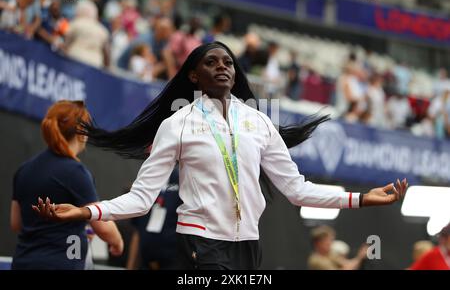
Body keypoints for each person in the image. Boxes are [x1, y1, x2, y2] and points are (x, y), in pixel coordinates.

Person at [33, 42, 408, 270]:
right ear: (194, 77)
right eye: (211, 63)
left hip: (247, 244)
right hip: (199, 241)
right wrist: (87, 210)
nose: (222, 67)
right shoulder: (178, 124)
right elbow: (141, 198)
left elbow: (296, 190)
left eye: (227, 62)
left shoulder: (259, 122)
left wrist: (359, 198)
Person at [11, 101, 123, 270]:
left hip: (23, 262)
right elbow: (102, 225)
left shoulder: (24, 169)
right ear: (82, 133)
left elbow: (17, 223)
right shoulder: (76, 172)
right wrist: (118, 242)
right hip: (61, 264)